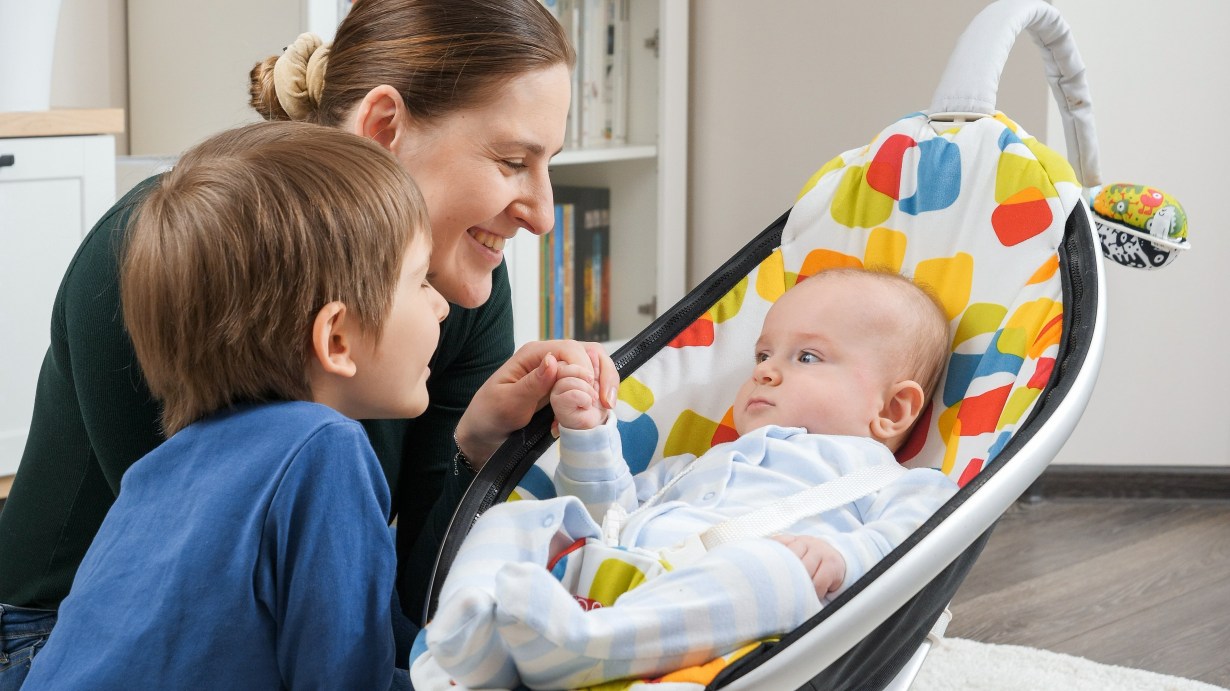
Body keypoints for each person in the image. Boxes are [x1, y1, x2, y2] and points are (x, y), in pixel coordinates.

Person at [0, 0, 617, 683]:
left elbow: (418, 605)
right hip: (57, 629)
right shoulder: (162, 249)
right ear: (384, 126)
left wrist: (475, 454)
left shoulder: (457, 286)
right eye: (511, 160)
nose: (542, 213)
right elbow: (216, 609)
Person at [420, 268, 961, 690]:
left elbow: (915, 550)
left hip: (732, 613)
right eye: (764, 353)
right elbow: (609, 515)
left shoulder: (893, 483)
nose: (766, 370)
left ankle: (580, 645)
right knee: (518, 519)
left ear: (893, 409)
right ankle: (466, 628)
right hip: (614, 579)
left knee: (771, 568)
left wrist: (842, 559)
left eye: (808, 356)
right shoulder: (702, 463)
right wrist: (589, 433)